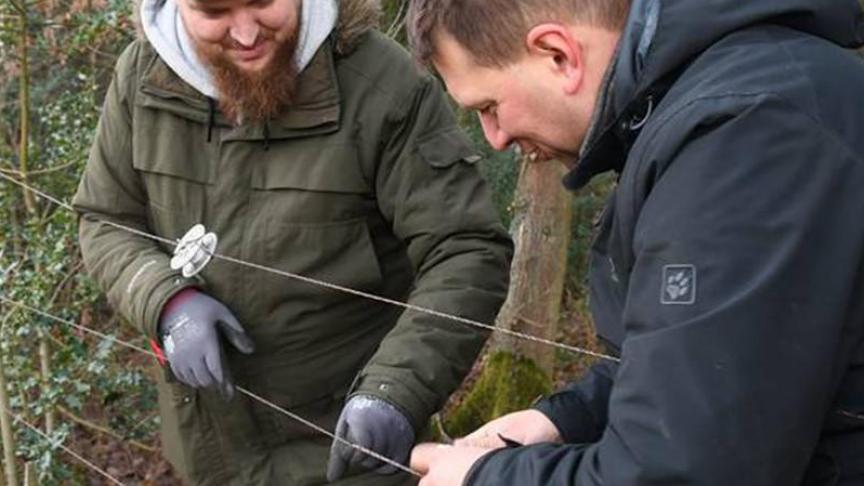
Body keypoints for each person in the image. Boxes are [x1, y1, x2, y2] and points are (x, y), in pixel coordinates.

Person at [406, 0, 864, 484]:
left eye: (488, 107)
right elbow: (718, 358)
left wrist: (485, 479)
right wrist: (566, 419)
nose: (493, 138)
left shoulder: (747, 136)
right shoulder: (706, 110)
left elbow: (688, 471)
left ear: (558, 55)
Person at [72, 0, 513, 484]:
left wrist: (396, 388)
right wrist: (165, 299)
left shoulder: (384, 86)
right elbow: (105, 217)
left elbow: (465, 249)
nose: (245, 34)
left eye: (263, 3)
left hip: (351, 454)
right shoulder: (142, 76)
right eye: (215, 12)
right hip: (209, 451)